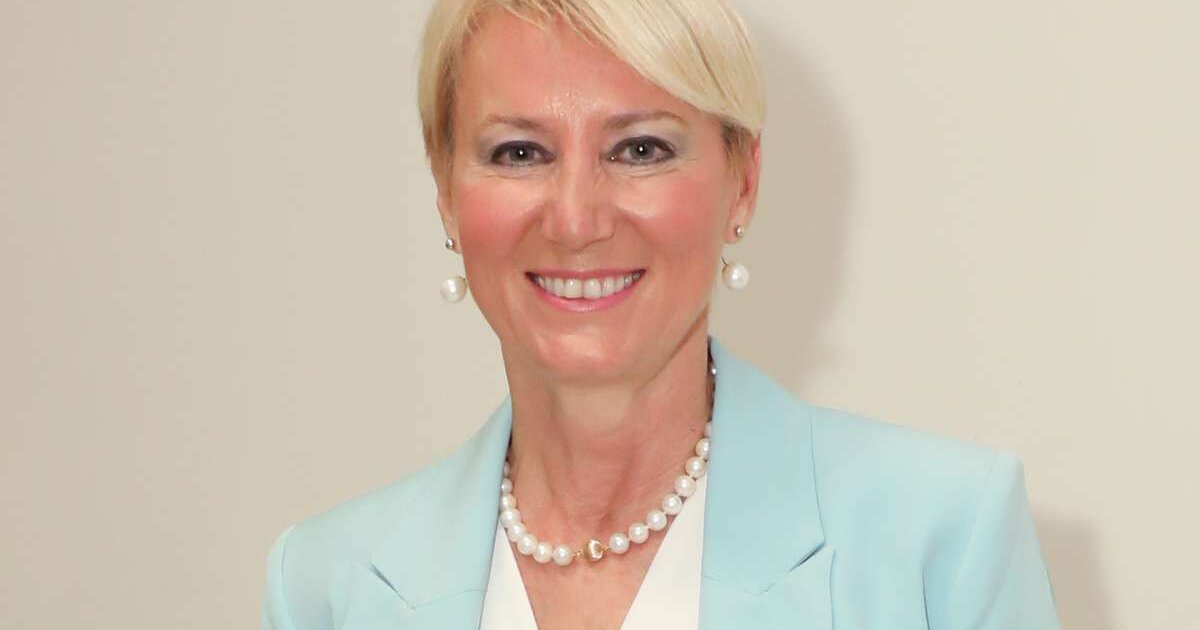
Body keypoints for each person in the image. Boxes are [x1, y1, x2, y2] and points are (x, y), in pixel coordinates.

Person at [261, 0, 1061, 628]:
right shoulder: (324, 586)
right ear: (444, 190)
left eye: (640, 149)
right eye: (520, 153)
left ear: (742, 182)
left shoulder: (942, 543)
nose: (576, 220)